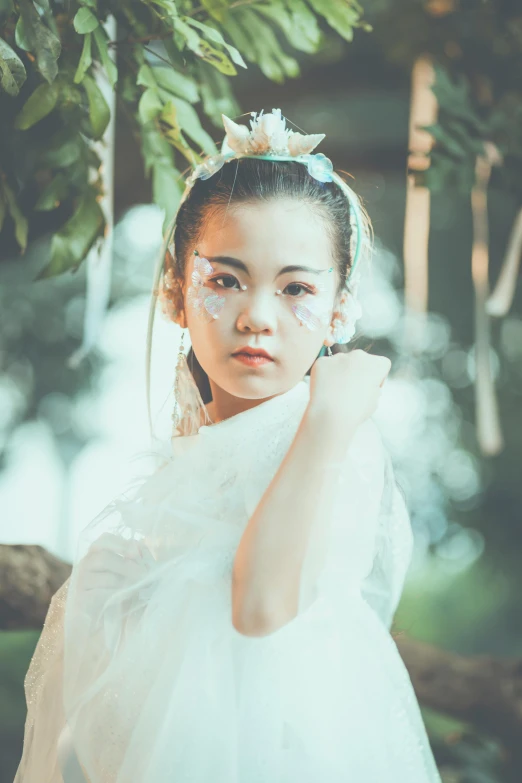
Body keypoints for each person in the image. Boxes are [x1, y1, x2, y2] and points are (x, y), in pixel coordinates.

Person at [14, 109, 442, 782]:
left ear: (337, 311)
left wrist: (329, 420)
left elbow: (262, 605)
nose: (256, 316)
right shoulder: (180, 476)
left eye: (296, 287)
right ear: (177, 292)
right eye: (225, 279)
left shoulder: (333, 436)